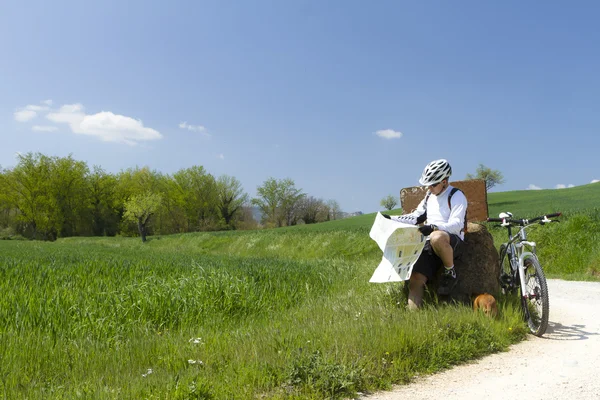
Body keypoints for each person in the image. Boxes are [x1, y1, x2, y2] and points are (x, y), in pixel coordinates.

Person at [382, 159, 467, 310]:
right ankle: (414, 320)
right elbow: (416, 217)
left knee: (437, 237)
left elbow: (457, 225)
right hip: (429, 243)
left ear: (445, 181)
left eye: (433, 184)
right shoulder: (429, 196)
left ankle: (450, 272)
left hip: (450, 241)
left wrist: (434, 227)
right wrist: (391, 218)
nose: (429, 188)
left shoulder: (456, 195)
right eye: (428, 184)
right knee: (415, 279)